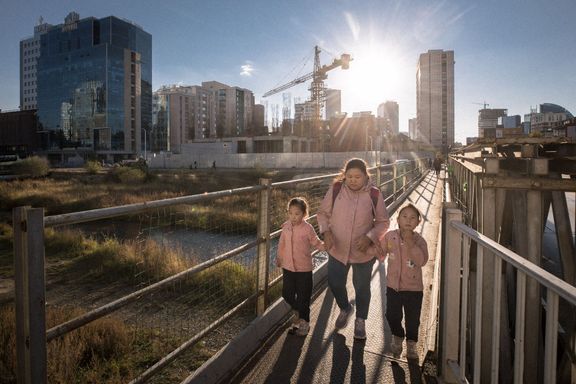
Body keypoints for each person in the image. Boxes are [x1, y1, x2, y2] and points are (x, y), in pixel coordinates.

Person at [317, 158, 390, 339]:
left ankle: (360, 320)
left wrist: (369, 237)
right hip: (337, 249)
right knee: (334, 282)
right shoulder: (336, 190)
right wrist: (326, 232)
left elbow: (383, 222)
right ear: (344, 175)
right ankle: (345, 307)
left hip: (363, 252)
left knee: (362, 287)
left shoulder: (374, 194)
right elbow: (322, 214)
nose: (353, 180)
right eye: (349, 176)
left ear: (366, 176)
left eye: (358, 176)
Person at [375, 203, 429, 360]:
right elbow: (381, 252)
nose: (408, 220)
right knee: (391, 315)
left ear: (418, 222)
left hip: (413, 289)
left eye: (413, 218)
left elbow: (421, 261)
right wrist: (372, 248)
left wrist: (411, 243)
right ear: (397, 219)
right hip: (393, 286)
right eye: (404, 216)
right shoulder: (390, 236)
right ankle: (398, 335)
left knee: (412, 319)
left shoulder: (420, 241)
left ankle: (411, 345)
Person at [276, 197, 326, 336]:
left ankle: (303, 323)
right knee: (287, 294)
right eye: (290, 213)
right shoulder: (286, 226)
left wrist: (325, 246)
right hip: (288, 267)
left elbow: (316, 242)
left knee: (303, 296)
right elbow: (281, 244)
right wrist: (279, 258)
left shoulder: (307, 228)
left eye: (297, 213)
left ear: (304, 214)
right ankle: (298, 312)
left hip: (304, 268)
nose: (293, 216)